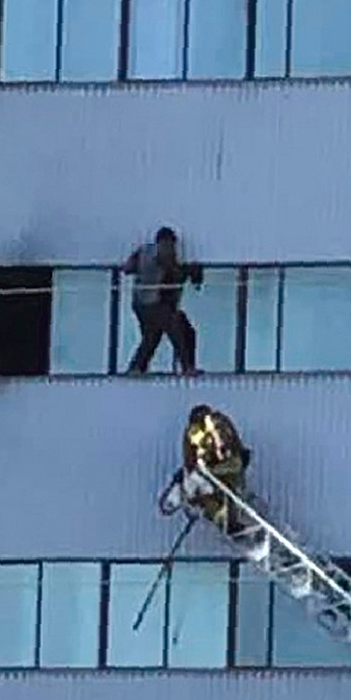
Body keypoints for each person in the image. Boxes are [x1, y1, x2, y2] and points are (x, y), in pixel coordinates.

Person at [122, 226, 204, 375]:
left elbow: (128, 268)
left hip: (147, 303)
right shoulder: (156, 255)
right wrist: (190, 271)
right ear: (160, 243)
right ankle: (187, 367)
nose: (170, 249)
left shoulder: (144, 251)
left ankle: (136, 368)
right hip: (151, 303)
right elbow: (172, 270)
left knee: (153, 336)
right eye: (168, 245)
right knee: (176, 327)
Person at [179, 404, 254, 537]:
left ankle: (232, 519)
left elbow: (231, 450)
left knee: (231, 488)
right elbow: (190, 457)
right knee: (202, 495)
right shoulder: (192, 433)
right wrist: (195, 468)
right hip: (209, 471)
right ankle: (223, 519)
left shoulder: (219, 425)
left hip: (227, 466)